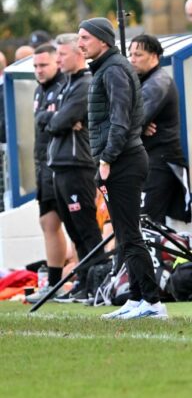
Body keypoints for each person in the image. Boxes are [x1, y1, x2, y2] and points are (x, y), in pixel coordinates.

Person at [78, 17, 167, 320]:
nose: (80, 44)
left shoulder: (114, 69)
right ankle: (137, 298)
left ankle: (153, 303)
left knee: (130, 234)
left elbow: (120, 119)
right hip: (120, 159)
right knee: (125, 234)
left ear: (103, 40)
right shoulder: (108, 67)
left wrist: (106, 159)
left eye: (85, 38)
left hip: (124, 160)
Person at [42, 33, 106, 302]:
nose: (58, 59)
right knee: (74, 231)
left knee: (87, 229)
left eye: (62, 54)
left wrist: (58, 119)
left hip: (77, 164)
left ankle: (99, 284)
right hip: (59, 165)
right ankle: (84, 281)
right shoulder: (66, 84)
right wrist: (56, 118)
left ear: (78, 54)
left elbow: (60, 120)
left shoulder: (85, 83)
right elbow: (46, 118)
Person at [129, 34, 190, 224]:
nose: (132, 60)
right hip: (148, 159)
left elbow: (131, 122)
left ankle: (154, 255)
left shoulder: (157, 82)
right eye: (130, 54)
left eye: (138, 54)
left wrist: (138, 125)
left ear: (154, 56)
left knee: (148, 221)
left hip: (161, 161)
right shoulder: (142, 80)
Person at [25, 44, 68, 304]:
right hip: (44, 164)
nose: (39, 71)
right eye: (35, 66)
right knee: (48, 223)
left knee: (77, 226)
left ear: (57, 63)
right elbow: (45, 120)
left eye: (43, 65)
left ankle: (85, 280)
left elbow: (63, 120)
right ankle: (54, 284)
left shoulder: (65, 86)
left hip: (63, 164)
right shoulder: (40, 90)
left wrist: (47, 117)